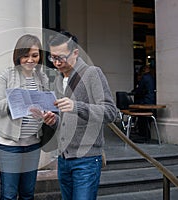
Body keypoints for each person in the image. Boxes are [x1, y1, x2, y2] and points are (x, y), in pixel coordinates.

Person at [43, 31, 117, 200]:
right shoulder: (57, 80)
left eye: (60, 57)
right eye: (53, 58)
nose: (56, 63)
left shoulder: (92, 73)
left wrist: (76, 106)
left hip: (87, 159)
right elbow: (66, 121)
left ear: (75, 52)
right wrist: (54, 121)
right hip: (63, 158)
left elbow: (110, 112)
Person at [0, 34, 56, 200]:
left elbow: (45, 105)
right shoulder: (6, 75)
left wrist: (46, 114)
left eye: (34, 55)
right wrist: (15, 99)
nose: (30, 60)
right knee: (9, 194)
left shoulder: (42, 77)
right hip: (9, 144)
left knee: (28, 193)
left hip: (33, 143)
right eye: (25, 56)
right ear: (18, 56)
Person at [131, 65, 156, 142]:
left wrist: (134, 92)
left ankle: (142, 134)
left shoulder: (145, 78)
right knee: (145, 117)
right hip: (151, 101)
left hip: (145, 101)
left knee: (140, 115)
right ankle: (144, 134)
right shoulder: (152, 77)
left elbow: (139, 90)